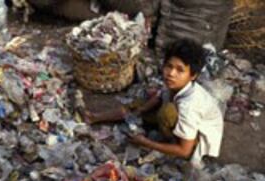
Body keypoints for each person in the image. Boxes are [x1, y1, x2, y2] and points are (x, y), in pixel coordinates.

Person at [83, 38, 224, 169]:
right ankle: (94, 117)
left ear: (193, 76)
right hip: (182, 119)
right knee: (141, 103)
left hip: (194, 142)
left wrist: (145, 142)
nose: (171, 73)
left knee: (166, 113)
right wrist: (139, 111)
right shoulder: (174, 84)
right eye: (169, 66)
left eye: (180, 70)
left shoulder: (190, 106)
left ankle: (168, 142)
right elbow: (158, 96)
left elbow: (184, 151)